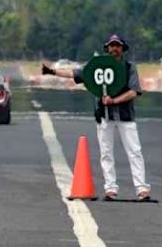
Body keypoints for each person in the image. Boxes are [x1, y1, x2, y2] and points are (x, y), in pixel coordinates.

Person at [42, 33, 151, 201]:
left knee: (134, 151)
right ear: (107, 48)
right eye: (112, 46)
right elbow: (76, 73)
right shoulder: (97, 67)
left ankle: (141, 188)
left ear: (122, 48)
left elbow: (134, 91)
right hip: (104, 115)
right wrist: (52, 71)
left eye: (118, 46)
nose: (115, 49)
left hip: (125, 116)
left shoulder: (129, 67)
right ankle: (110, 188)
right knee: (106, 153)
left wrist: (114, 100)